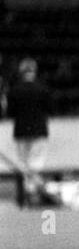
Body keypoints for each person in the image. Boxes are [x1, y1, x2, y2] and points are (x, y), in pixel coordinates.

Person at [5, 58, 55, 206]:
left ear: (21, 72)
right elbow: (51, 110)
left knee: (24, 163)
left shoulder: (14, 90)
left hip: (21, 131)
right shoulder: (43, 89)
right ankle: (33, 192)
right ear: (34, 71)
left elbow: (10, 112)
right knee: (36, 163)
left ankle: (27, 193)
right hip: (39, 130)